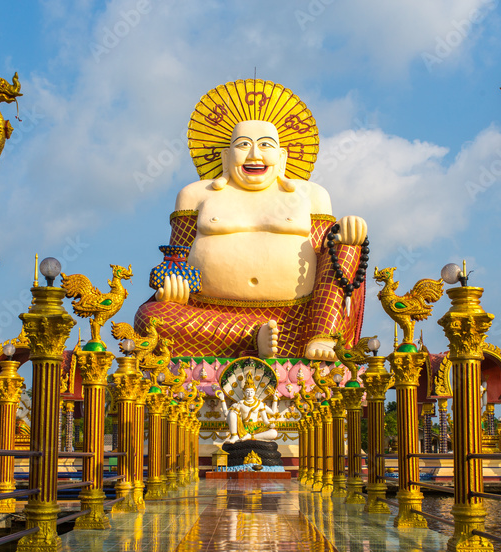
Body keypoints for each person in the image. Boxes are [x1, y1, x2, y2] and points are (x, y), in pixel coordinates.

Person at [135, 79, 368, 360]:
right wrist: (173, 285)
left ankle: (323, 336)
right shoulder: (196, 195)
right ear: (226, 156)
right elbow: (178, 255)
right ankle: (249, 334)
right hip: (211, 316)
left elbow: (325, 259)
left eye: (265, 145)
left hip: (300, 321)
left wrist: (348, 233)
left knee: (344, 242)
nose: (254, 155)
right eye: (243, 145)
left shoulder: (311, 195)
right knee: (150, 317)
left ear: (282, 157)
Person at [218, 374, 279, 444]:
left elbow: (269, 417)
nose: (250, 394)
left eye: (251, 391)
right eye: (247, 392)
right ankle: (234, 436)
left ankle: (250, 436)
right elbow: (226, 414)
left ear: (255, 392)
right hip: (243, 429)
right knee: (232, 413)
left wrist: (275, 400)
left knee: (274, 433)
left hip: (256, 429)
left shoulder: (259, 403)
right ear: (244, 392)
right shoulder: (241, 403)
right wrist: (222, 400)